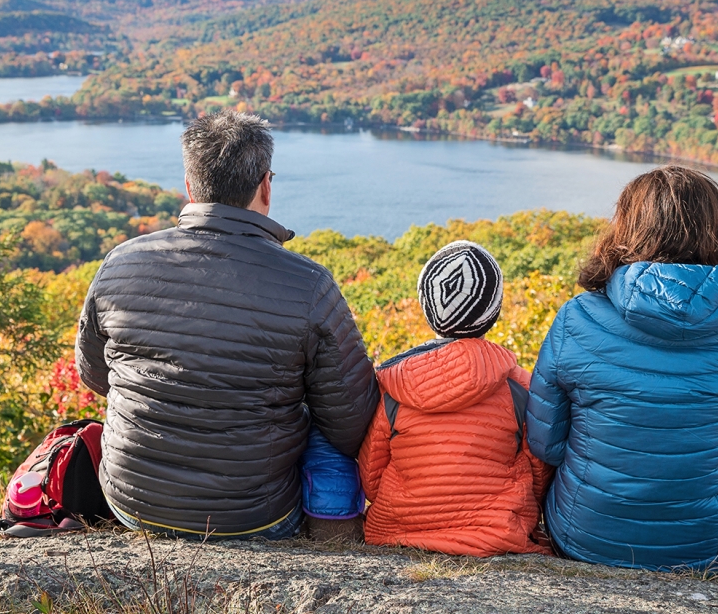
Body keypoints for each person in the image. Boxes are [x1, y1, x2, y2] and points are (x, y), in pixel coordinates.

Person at [74, 110, 378, 540]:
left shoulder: (120, 263)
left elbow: (95, 375)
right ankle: (336, 535)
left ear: (190, 187)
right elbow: (351, 422)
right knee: (324, 424)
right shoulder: (308, 285)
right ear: (266, 187)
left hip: (130, 501)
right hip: (256, 517)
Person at [526, 165, 718, 571]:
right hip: (706, 545)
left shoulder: (576, 320)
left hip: (584, 534)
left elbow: (547, 444)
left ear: (626, 230)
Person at [357, 241, 552, 557]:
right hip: (496, 536)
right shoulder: (520, 389)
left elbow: (371, 478)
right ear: (494, 312)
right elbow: (539, 473)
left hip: (399, 530)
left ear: (427, 307)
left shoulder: (392, 387)